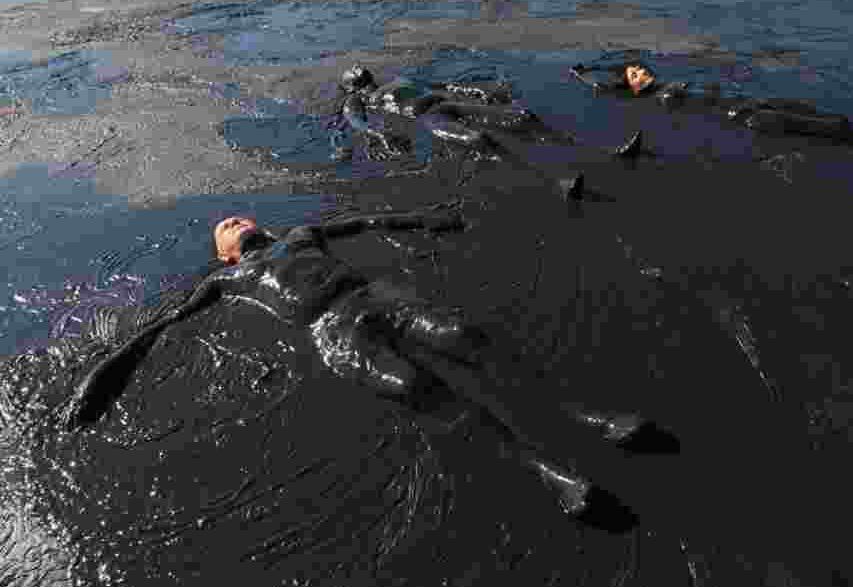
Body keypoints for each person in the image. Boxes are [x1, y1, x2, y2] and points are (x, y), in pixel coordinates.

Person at [62, 208, 656, 517]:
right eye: (226, 227)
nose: (236, 222)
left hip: (374, 299)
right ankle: (548, 471)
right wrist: (99, 382)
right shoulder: (227, 283)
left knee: (461, 335)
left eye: (239, 216)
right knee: (415, 384)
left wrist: (431, 219)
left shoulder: (300, 236)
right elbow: (159, 330)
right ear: (222, 255)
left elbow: (369, 221)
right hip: (334, 334)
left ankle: (584, 413)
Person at [568, 59, 853, 171]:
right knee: (843, 133)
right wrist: (584, 76)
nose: (640, 73)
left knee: (845, 128)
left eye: (639, 70)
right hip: (751, 117)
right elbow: (607, 86)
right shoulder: (656, 95)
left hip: (753, 109)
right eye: (634, 74)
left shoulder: (665, 88)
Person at [332, 65, 575, 166]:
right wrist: (378, 132)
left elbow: (356, 121)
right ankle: (545, 163)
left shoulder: (391, 84)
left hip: (441, 107)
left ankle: (559, 154)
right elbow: (355, 119)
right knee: (479, 137)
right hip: (435, 111)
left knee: (518, 118)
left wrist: (378, 133)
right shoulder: (388, 85)